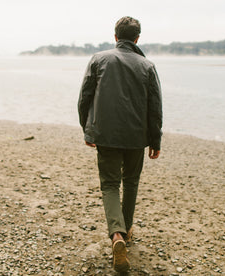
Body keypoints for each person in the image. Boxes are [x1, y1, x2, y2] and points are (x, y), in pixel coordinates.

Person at [78, 16, 162, 272]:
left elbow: (85, 97)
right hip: (137, 137)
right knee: (132, 181)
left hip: (106, 135)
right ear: (137, 39)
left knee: (110, 184)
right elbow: (155, 107)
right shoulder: (147, 65)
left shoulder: (99, 59)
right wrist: (155, 139)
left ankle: (117, 235)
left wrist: (88, 130)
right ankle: (125, 232)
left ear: (116, 37)